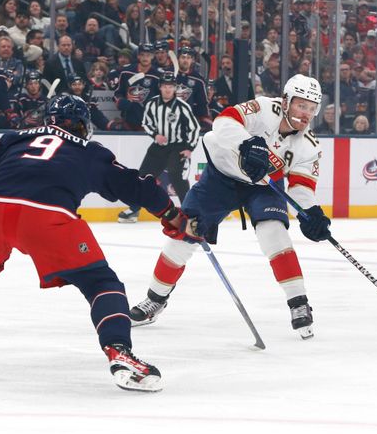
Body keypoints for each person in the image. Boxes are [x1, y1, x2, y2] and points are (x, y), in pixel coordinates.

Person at [0, 94, 198, 391]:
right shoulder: (90, 151)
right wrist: (172, 214)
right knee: (101, 282)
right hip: (46, 218)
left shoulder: (16, 139)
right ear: (81, 124)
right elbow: (136, 185)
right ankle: (119, 352)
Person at [128, 74, 330, 340]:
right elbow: (224, 121)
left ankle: (298, 303)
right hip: (220, 179)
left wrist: (311, 213)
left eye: (312, 108)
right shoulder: (264, 108)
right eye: (301, 105)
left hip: (263, 187)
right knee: (184, 235)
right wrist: (246, 144)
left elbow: (301, 188)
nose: (307, 114)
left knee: (274, 233)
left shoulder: (309, 146)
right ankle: (155, 299)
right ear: (286, 101)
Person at [118, 71, 200, 222]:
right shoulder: (152, 103)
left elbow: (194, 128)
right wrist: (155, 135)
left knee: (178, 178)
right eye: (165, 86)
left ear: (175, 88)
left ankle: (190, 212)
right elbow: (146, 123)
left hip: (178, 146)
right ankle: (134, 209)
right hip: (158, 146)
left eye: (171, 86)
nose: (168, 89)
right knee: (143, 177)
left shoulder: (183, 107)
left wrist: (189, 148)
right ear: (160, 87)